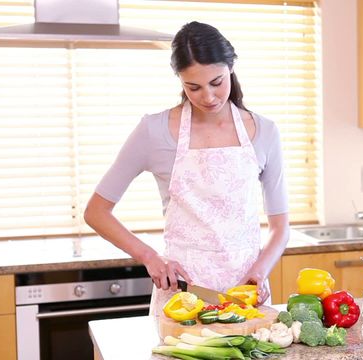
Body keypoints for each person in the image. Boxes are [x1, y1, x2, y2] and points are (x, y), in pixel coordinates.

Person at [84, 21, 289, 314]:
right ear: (180, 81)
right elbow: (96, 212)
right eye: (193, 87)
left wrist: (261, 270)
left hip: (244, 297)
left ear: (231, 67)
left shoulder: (265, 131)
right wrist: (150, 257)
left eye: (216, 82)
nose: (207, 97)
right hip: (181, 298)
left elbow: (280, 227)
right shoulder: (153, 131)